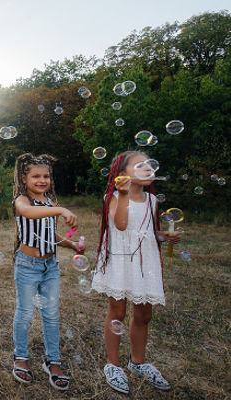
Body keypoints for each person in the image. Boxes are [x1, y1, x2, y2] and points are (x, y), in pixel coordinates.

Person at [92, 151, 180, 395]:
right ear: (122, 175)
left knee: (144, 313)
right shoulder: (113, 196)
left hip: (145, 260)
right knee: (117, 311)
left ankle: (138, 362)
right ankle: (113, 364)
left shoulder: (152, 201)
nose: (147, 168)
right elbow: (121, 225)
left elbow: (148, 232)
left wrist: (165, 236)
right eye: (140, 165)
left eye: (150, 164)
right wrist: (121, 195)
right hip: (120, 258)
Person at [10, 153, 81, 390]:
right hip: (27, 266)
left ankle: (53, 361)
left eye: (46, 176)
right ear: (24, 178)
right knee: (25, 312)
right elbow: (29, 214)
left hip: (50, 266)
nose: (42, 180)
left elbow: (50, 235)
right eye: (36, 176)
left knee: (51, 313)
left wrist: (71, 245)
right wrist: (61, 210)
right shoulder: (22, 201)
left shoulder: (49, 203)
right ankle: (20, 357)